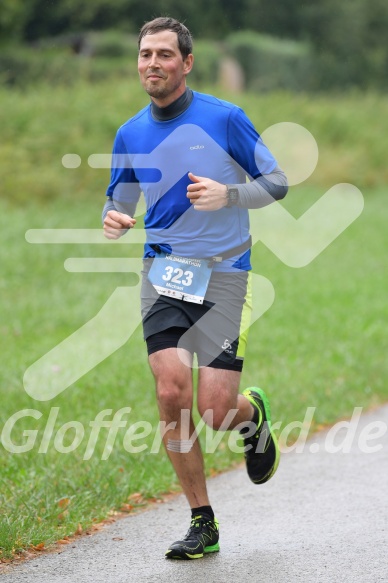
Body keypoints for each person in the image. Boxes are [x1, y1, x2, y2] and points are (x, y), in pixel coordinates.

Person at [102, 16, 288, 560]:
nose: (152, 64)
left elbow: (277, 182)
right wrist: (113, 218)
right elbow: (119, 200)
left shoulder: (224, 118)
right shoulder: (130, 132)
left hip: (226, 275)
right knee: (170, 394)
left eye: (164, 54)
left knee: (214, 409)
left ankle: (252, 413)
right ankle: (201, 521)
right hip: (162, 273)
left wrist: (228, 195)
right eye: (144, 55)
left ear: (186, 63)